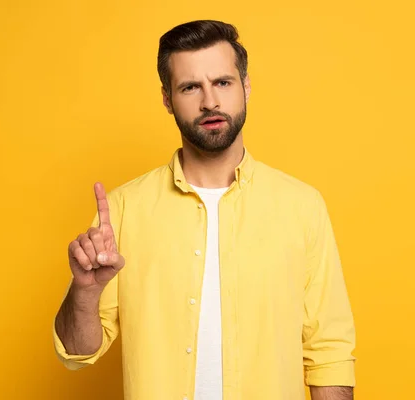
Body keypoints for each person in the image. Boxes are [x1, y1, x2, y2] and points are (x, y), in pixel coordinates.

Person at [53, 19, 356, 400]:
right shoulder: (123, 209)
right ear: (167, 99)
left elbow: (328, 352)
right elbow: (78, 353)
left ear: (245, 86)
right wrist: (84, 291)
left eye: (223, 83)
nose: (210, 101)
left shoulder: (302, 207)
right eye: (190, 86)